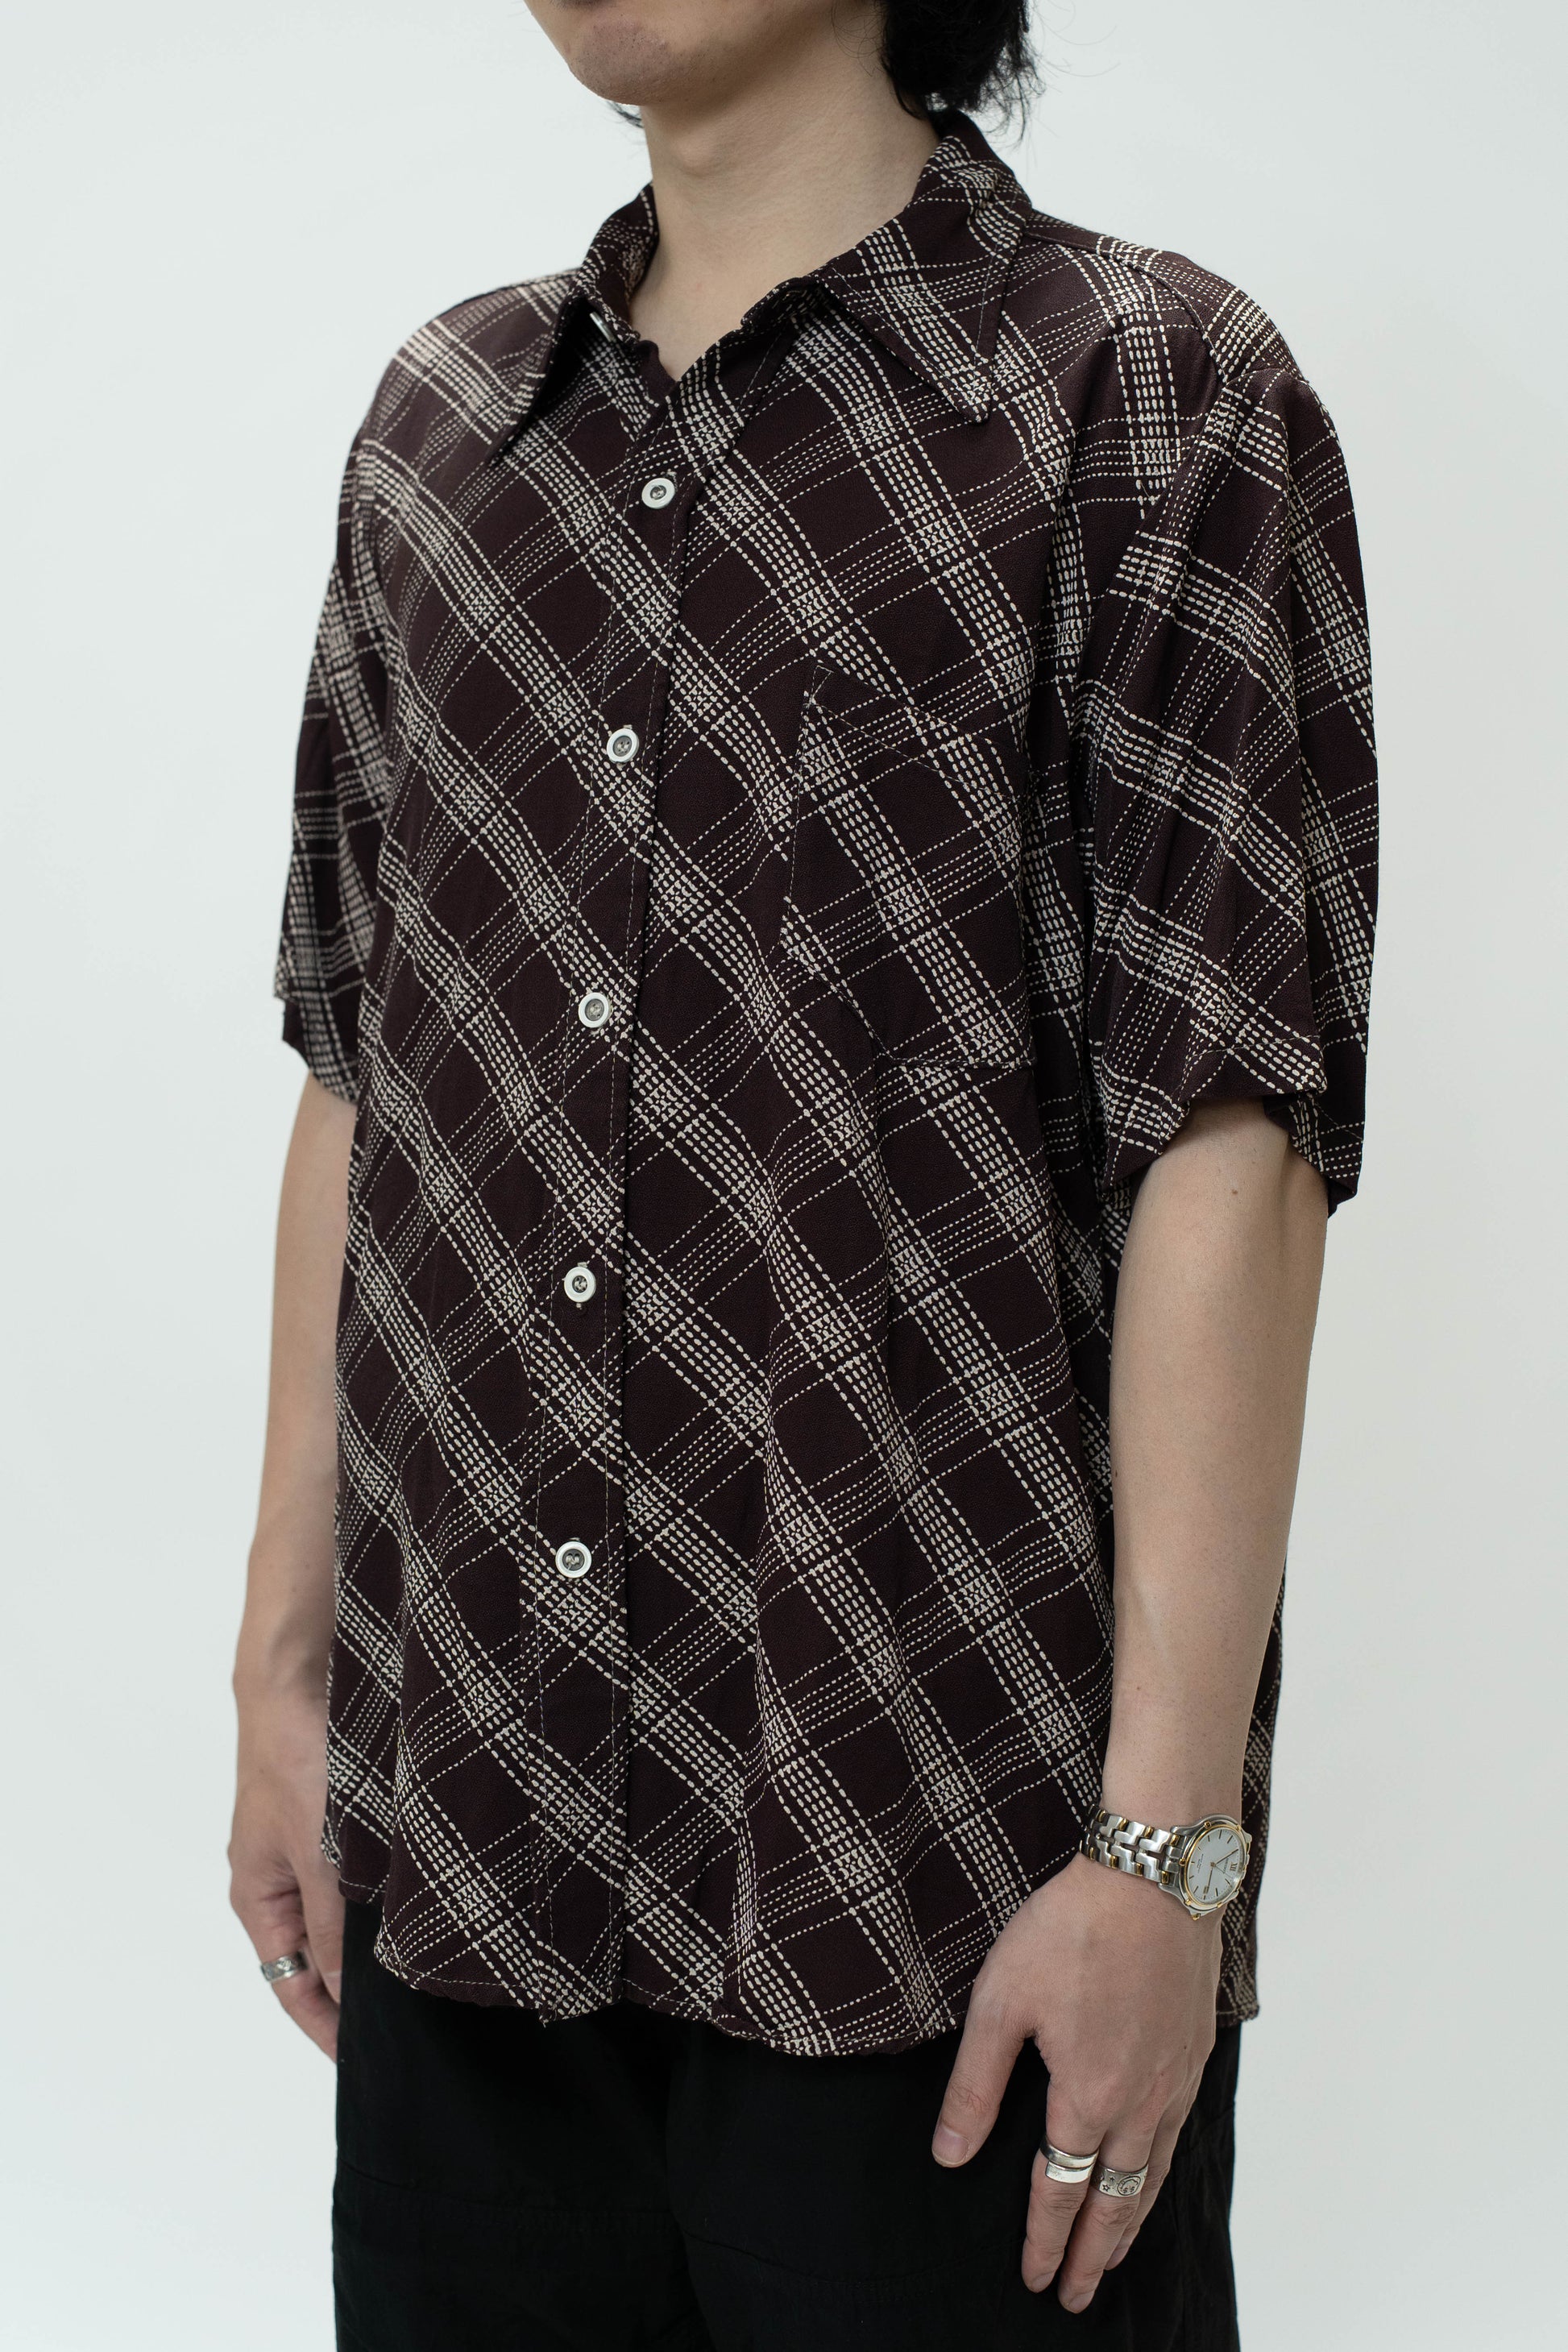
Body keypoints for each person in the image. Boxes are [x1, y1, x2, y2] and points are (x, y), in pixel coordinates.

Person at [229, 2, 1377, 2344]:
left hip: (935, 1876)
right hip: (469, 1840)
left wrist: (1165, 1854)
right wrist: (281, 1675)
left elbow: (1228, 1135)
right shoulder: (444, 432)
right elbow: (362, 1064)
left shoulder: (1144, 396)